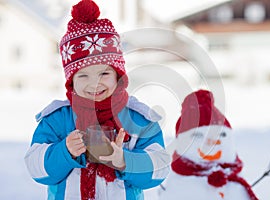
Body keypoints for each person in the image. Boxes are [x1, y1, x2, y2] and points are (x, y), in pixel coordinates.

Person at [24, 0, 170, 199]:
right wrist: (65, 152)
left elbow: (159, 167)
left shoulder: (137, 118)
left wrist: (124, 160)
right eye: (83, 76)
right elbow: (36, 167)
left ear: (118, 76)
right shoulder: (57, 119)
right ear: (71, 82)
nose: (94, 84)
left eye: (104, 74)